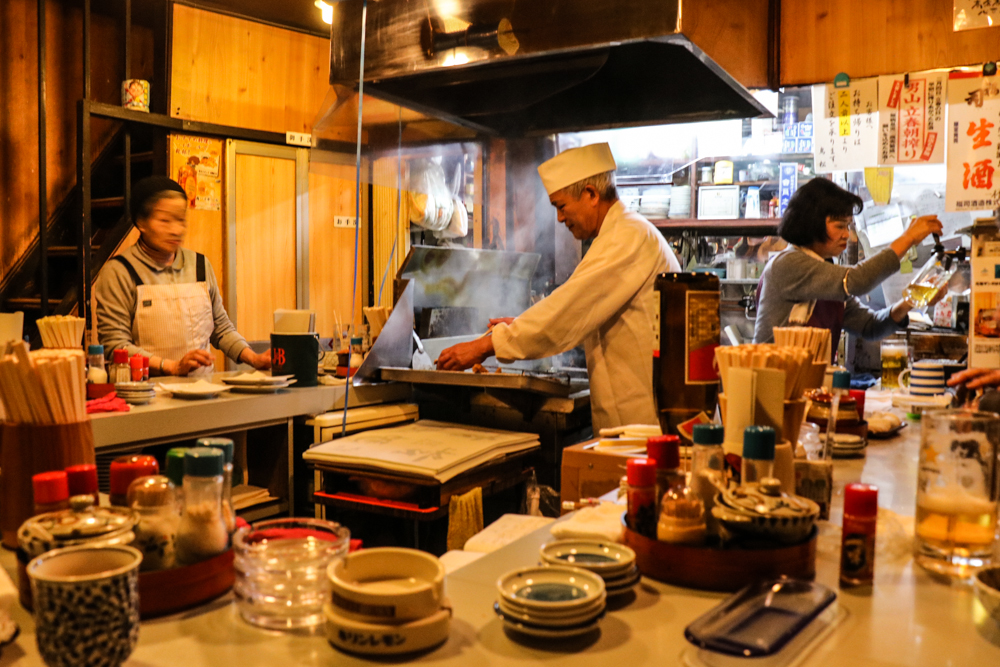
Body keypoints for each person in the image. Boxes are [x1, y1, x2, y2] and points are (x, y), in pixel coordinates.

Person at [436, 143, 681, 431]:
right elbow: (585, 312)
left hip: (646, 424)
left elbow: (568, 308)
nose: (560, 218)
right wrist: (519, 325)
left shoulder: (627, 237)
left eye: (561, 206)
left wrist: (482, 346)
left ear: (591, 194)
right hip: (638, 421)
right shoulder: (621, 233)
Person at [95, 176, 270, 376]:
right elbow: (115, 345)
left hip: (203, 391)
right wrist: (172, 366)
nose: (176, 230)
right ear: (141, 223)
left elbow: (220, 328)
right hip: (145, 396)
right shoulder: (120, 272)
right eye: (164, 221)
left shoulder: (200, 265)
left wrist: (254, 358)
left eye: (180, 220)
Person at [753, 178, 943, 357]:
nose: (847, 235)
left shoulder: (824, 269)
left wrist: (912, 299)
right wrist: (907, 238)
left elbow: (870, 326)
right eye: (839, 226)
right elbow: (857, 281)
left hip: (810, 384)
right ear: (812, 224)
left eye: (848, 226)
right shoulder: (788, 263)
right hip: (775, 382)